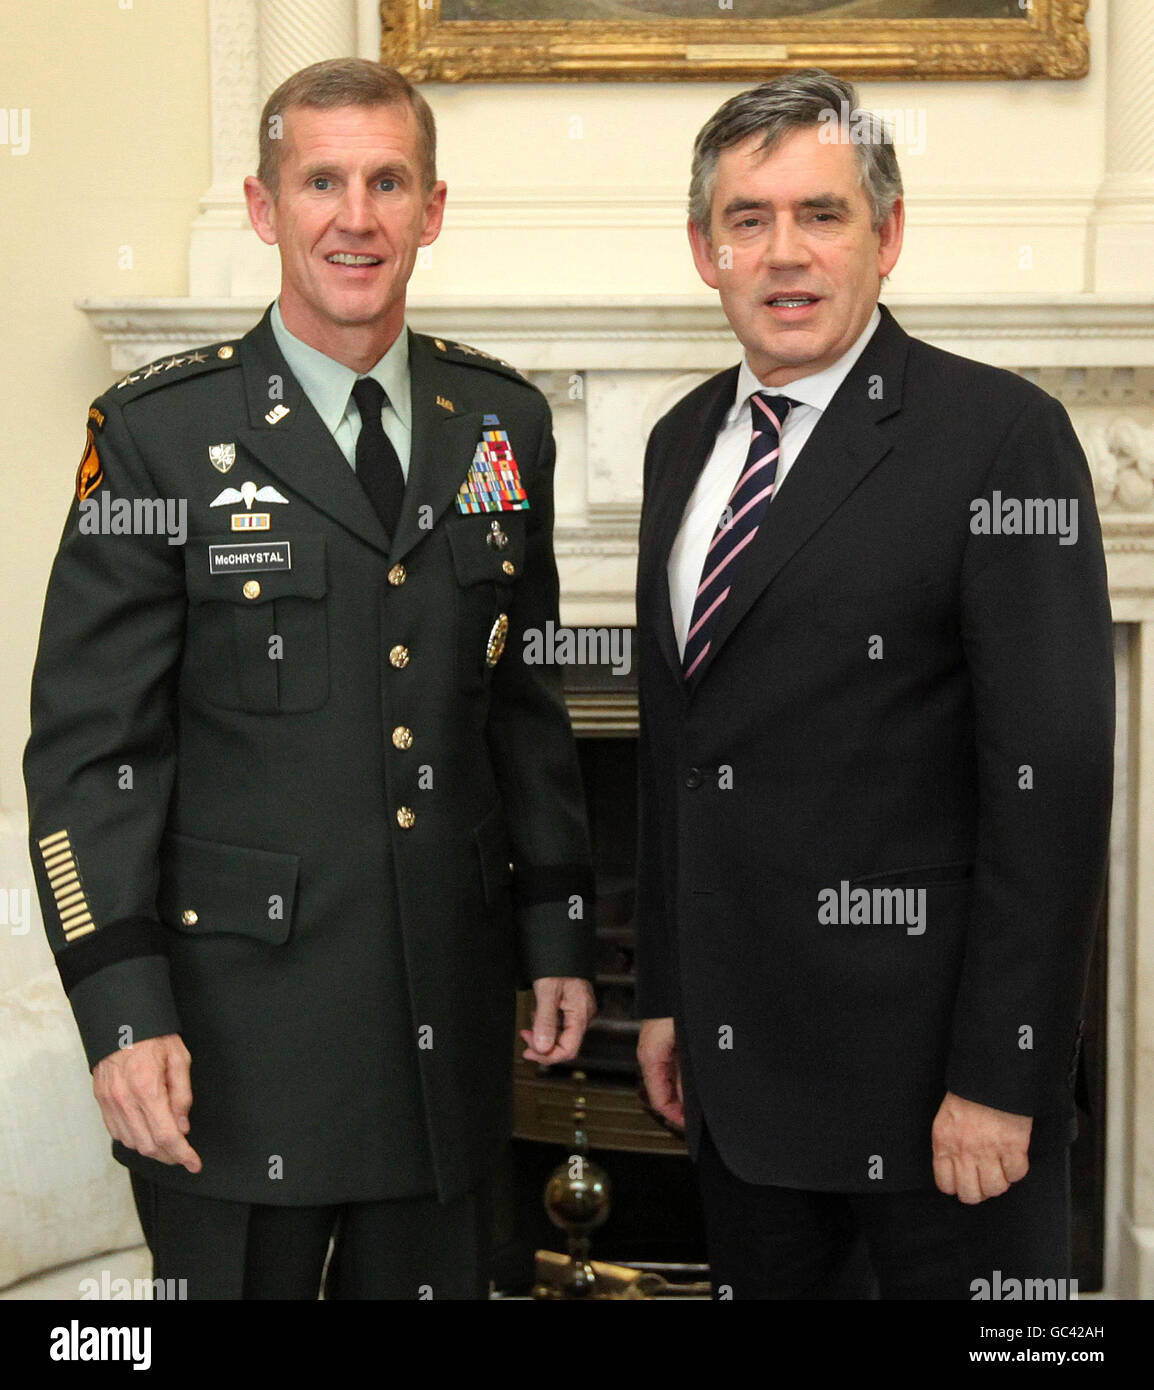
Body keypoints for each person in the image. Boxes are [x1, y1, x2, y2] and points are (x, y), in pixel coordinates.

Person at [24, 58, 595, 1300]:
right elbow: (88, 750)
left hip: (439, 1022)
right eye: (321, 180)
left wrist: (557, 930)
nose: (356, 215)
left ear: (431, 209)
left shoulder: (501, 425)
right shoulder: (159, 437)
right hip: (230, 1042)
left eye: (388, 181)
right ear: (263, 205)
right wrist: (122, 1008)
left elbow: (525, 700)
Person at [634, 69, 1114, 1300]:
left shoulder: (1000, 440)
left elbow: (1050, 789)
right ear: (704, 250)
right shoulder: (681, 441)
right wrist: (669, 995)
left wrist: (1004, 1075)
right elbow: (676, 747)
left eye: (821, 214)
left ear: (886, 234)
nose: (782, 253)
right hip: (743, 1091)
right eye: (747, 220)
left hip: (937, 1110)